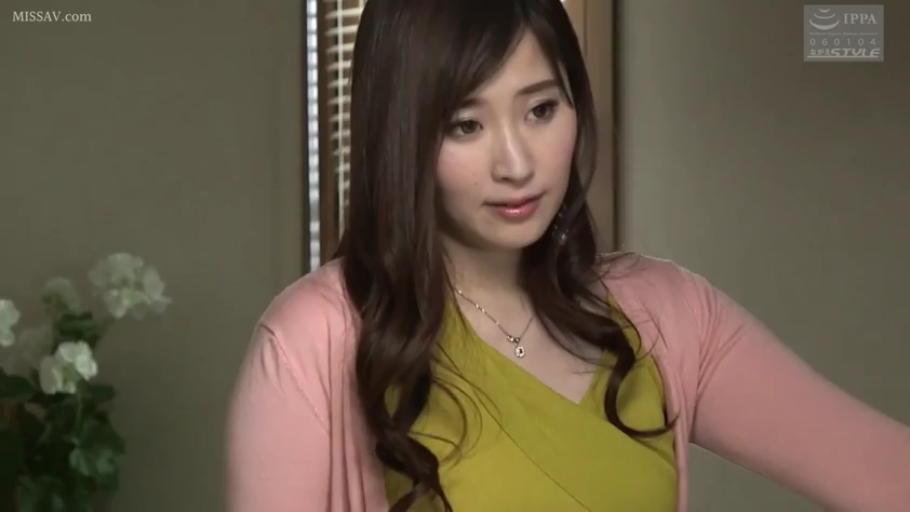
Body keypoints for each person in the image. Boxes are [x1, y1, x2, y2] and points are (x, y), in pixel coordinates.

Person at [225, 0, 910, 510]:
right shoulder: (313, 340)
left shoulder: (670, 314)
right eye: (465, 125)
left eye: (541, 110)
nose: (517, 163)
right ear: (402, 137)